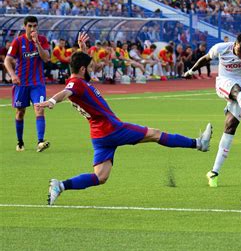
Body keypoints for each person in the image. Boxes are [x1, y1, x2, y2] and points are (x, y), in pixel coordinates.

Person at [36, 33, 213, 206]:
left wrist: (83, 50)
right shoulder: (76, 84)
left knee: (101, 176)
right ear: (82, 69)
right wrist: (52, 100)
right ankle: (198, 144)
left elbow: (76, 78)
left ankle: (61, 186)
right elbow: (66, 92)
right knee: (155, 134)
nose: (92, 69)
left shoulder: (76, 80)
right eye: (89, 68)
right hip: (111, 129)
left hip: (99, 135)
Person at [184, 33, 241, 187]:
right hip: (224, 83)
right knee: (237, 92)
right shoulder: (221, 48)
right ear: (235, 44)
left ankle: (214, 172)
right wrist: (191, 71)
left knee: (230, 128)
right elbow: (205, 59)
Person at [4, 16, 51, 152]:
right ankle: (20, 142)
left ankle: (40, 142)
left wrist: (37, 44)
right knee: (20, 112)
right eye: (30, 26)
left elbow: (46, 58)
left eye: (35, 26)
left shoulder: (42, 40)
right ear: (24, 26)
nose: (32, 29)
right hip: (21, 84)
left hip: (38, 83)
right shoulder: (18, 41)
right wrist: (13, 75)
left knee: (40, 109)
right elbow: (7, 60)